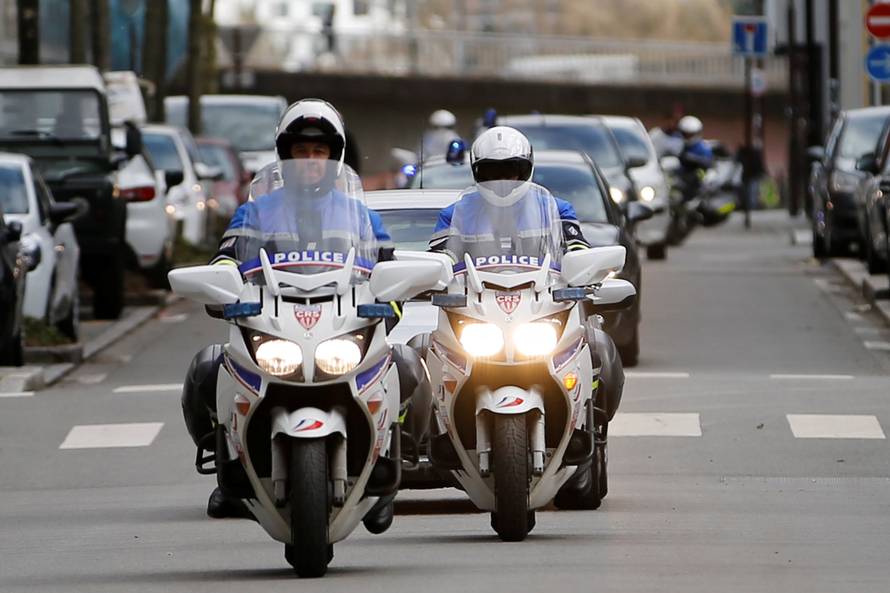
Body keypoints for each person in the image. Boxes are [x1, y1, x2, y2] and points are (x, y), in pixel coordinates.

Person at [181, 99, 429, 530]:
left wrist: (390, 299)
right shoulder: (256, 212)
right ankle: (229, 464)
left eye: (319, 152)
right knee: (208, 368)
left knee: (408, 366)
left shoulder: (361, 216)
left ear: (333, 159)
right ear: (286, 155)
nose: (310, 161)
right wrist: (219, 285)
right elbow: (226, 260)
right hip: (276, 323)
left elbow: (388, 268)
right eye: (302, 151)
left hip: (343, 322)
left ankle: (389, 465)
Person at [428, 125, 624, 498]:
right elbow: (439, 261)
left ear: (527, 170)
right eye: (493, 172)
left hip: (537, 308)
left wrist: (586, 270)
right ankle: (429, 434)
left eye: (513, 171)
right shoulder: (456, 213)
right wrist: (429, 277)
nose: (505, 181)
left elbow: (577, 255)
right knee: (424, 347)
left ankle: (591, 430)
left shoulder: (555, 208)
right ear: (477, 172)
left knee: (597, 345)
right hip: (481, 311)